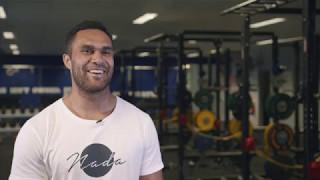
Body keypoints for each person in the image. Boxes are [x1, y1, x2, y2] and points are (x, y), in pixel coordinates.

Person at [9, 21, 164, 180]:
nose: (98, 59)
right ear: (67, 61)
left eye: (106, 52)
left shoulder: (141, 123)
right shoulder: (37, 131)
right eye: (87, 51)